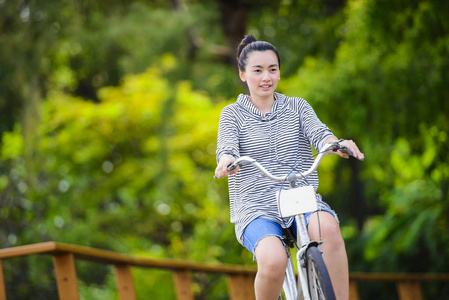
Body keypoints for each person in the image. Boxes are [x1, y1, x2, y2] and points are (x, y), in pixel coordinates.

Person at [215, 34, 364, 300]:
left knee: (328, 229)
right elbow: (227, 148)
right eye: (257, 70)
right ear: (242, 74)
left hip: (300, 198)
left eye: (272, 69)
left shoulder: (297, 107)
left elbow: (320, 134)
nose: (266, 77)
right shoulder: (232, 114)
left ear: (279, 73)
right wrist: (226, 161)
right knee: (273, 261)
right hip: (256, 206)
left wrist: (335, 143)